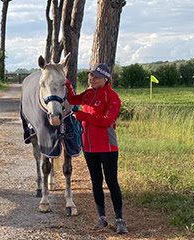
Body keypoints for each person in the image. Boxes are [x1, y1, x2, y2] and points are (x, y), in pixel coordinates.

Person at [66, 63, 128, 234]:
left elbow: (106, 121)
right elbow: (72, 100)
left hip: (108, 147)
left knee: (112, 182)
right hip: (89, 147)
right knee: (96, 182)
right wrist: (66, 83)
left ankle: (120, 219)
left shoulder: (113, 97)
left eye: (96, 77)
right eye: (91, 76)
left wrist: (83, 116)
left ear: (105, 79)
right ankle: (102, 218)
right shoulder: (88, 94)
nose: (92, 79)